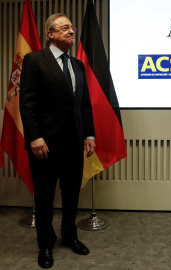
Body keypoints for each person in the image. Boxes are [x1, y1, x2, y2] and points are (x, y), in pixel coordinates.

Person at [19, 13, 95, 269]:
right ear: (50, 34)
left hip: (73, 143)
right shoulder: (34, 60)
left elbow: (84, 104)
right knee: (44, 197)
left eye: (72, 28)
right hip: (45, 145)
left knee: (72, 194)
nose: (71, 31)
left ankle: (70, 236)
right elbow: (27, 102)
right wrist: (35, 137)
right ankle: (46, 244)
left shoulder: (78, 66)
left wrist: (89, 134)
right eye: (64, 28)